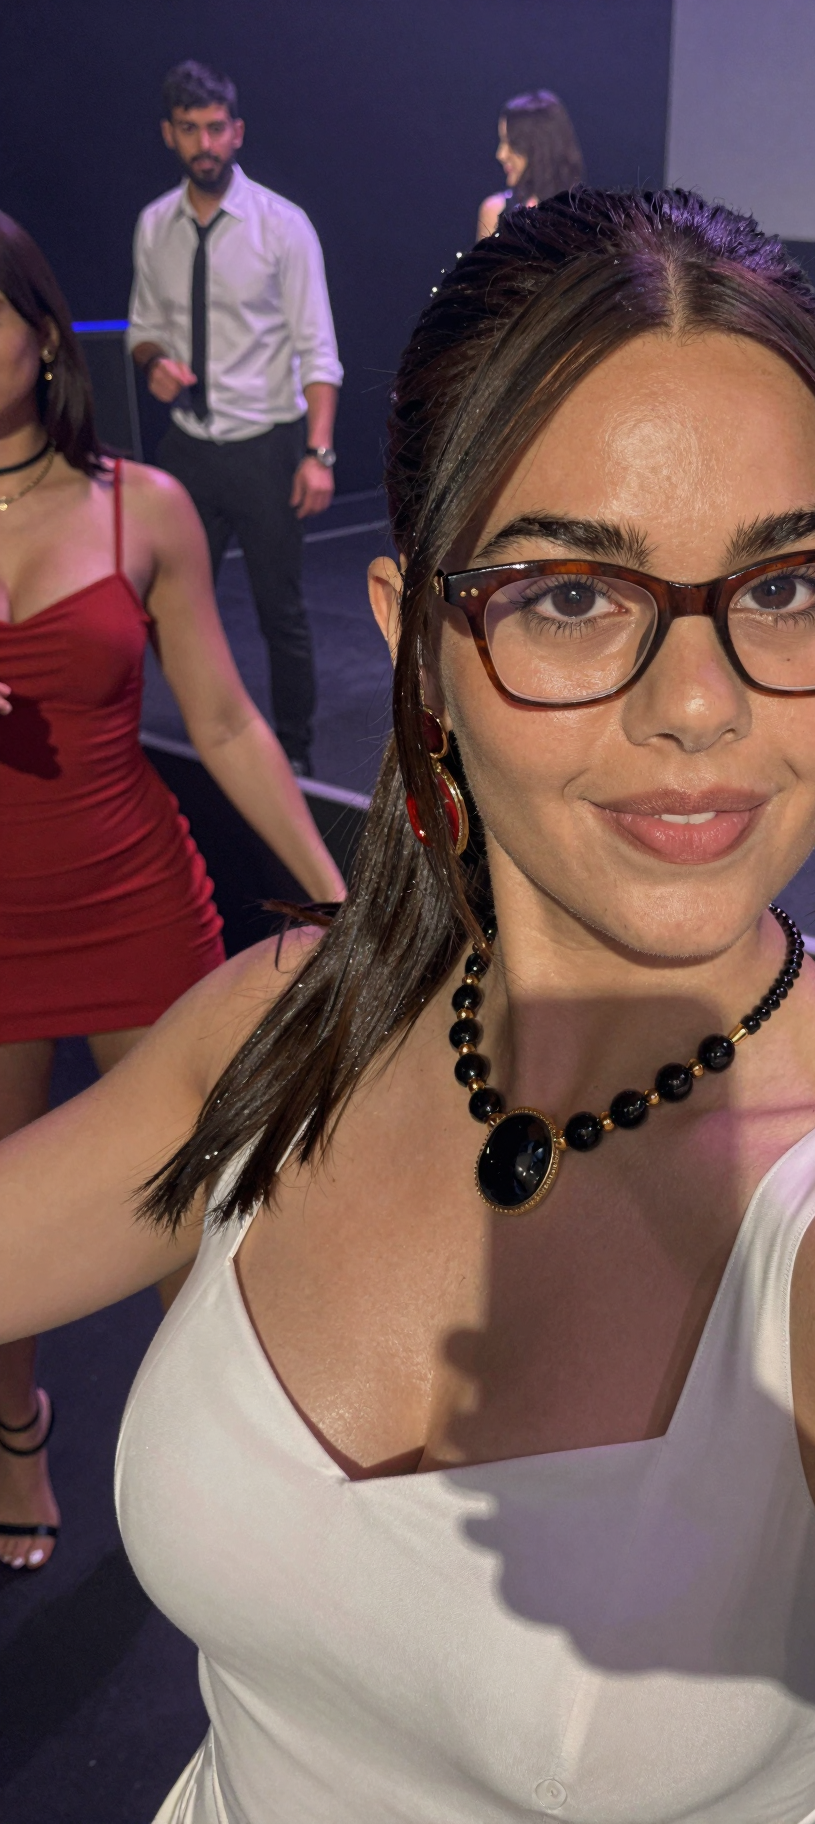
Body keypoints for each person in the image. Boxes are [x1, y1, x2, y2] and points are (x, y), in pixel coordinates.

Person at [3, 190, 815, 1821]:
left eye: (788, 584)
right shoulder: (279, 1030)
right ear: (419, 646)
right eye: (572, 595)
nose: (700, 706)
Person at [0, 212, 345, 1574]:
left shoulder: (142, 506)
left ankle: (217, 1465)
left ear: (42, 335)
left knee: (192, 1215)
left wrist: (329, 892)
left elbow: (225, 719)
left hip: (134, 900)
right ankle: (17, 1432)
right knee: (8, 1221)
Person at [129, 59, 343, 775]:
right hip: (189, 447)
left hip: (265, 446)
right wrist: (154, 363)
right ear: (169, 134)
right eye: (190, 129)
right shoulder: (154, 226)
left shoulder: (283, 226)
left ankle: (297, 759)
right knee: (159, 606)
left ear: (238, 131)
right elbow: (143, 328)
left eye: (216, 128)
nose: (205, 143)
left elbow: (318, 348)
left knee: (279, 611)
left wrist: (318, 453)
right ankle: (192, 744)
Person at [476, 88, 584, 240]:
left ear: (539, 147)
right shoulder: (494, 212)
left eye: (512, 143)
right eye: (502, 142)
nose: (501, 154)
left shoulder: (585, 215)